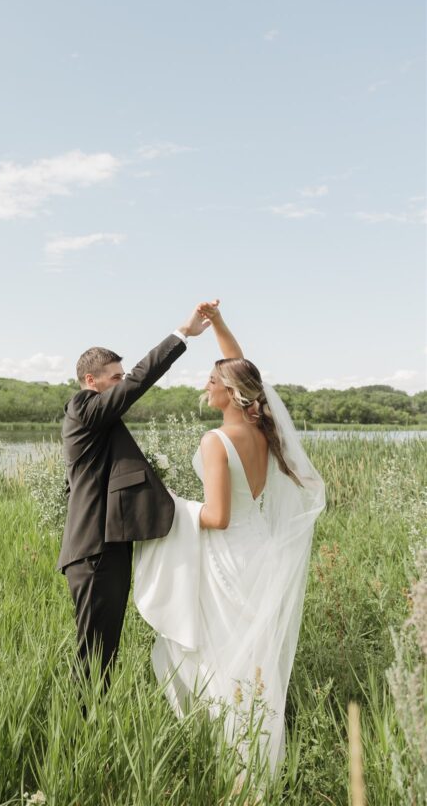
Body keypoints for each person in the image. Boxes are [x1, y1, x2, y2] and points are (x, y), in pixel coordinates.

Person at [133, 302, 325, 772]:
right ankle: (261, 752)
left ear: (231, 394)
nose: (206, 384)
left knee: (221, 654)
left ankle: (236, 759)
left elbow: (216, 517)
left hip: (229, 554)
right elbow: (242, 366)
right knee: (254, 653)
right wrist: (217, 325)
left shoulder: (215, 441)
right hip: (259, 548)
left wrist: (173, 506)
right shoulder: (263, 428)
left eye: (212, 381)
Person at [57, 302, 217, 690]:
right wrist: (183, 333)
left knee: (104, 647)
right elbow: (138, 383)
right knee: (95, 650)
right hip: (94, 550)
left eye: (121, 376)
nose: (122, 382)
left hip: (105, 546)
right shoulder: (83, 407)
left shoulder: (98, 425)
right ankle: (82, 726)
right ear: (91, 381)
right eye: (115, 378)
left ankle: (92, 718)